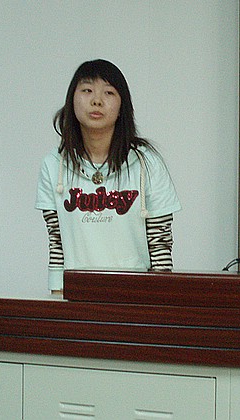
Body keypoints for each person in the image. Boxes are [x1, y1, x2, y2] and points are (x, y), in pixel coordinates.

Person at [35, 59, 181, 291]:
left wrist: (158, 299)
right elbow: (57, 241)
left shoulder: (147, 163)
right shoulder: (54, 165)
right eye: (87, 90)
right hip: (77, 296)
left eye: (109, 92)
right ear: (72, 100)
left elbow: (160, 244)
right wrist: (57, 295)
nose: (97, 100)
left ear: (123, 106)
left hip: (136, 295)